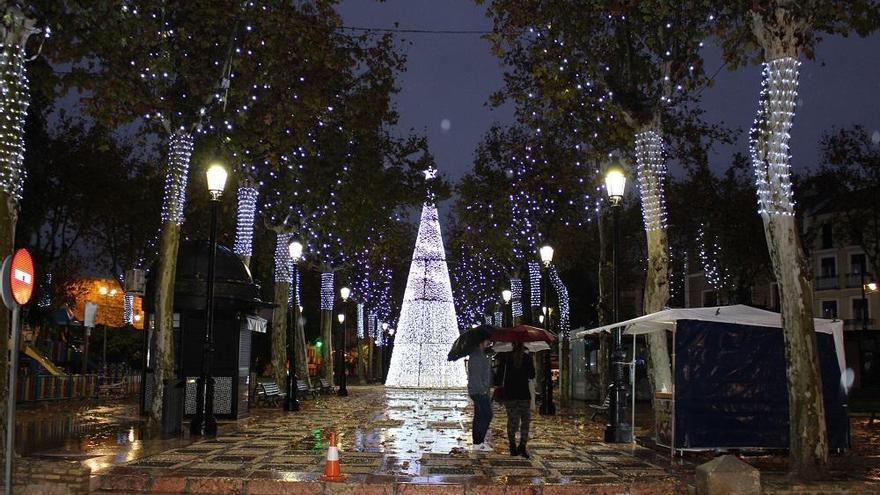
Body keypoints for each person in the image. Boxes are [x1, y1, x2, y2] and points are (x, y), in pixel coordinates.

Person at [497, 342, 535, 458]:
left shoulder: (506, 358)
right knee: (525, 422)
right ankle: (522, 446)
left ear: (512, 345)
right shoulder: (527, 358)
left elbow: (499, 376)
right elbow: (532, 375)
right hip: (524, 394)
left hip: (510, 394)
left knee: (512, 421)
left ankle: (512, 446)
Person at [467, 338, 493, 451]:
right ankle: (479, 441)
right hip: (479, 391)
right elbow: (476, 375)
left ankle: (478, 442)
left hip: (478, 390)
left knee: (479, 415)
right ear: (481, 341)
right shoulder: (477, 356)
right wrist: (483, 390)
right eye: (487, 340)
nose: (489, 342)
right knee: (487, 415)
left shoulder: (480, 354)